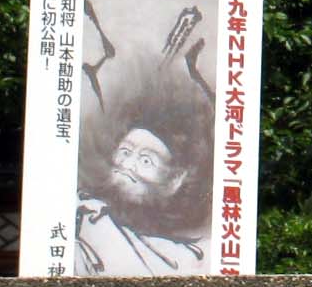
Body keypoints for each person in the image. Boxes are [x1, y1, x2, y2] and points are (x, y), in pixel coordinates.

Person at [74, 97, 212, 275]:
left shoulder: (188, 257)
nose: (127, 165)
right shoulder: (83, 213)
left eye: (146, 160)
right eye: (125, 151)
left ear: (174, 180)